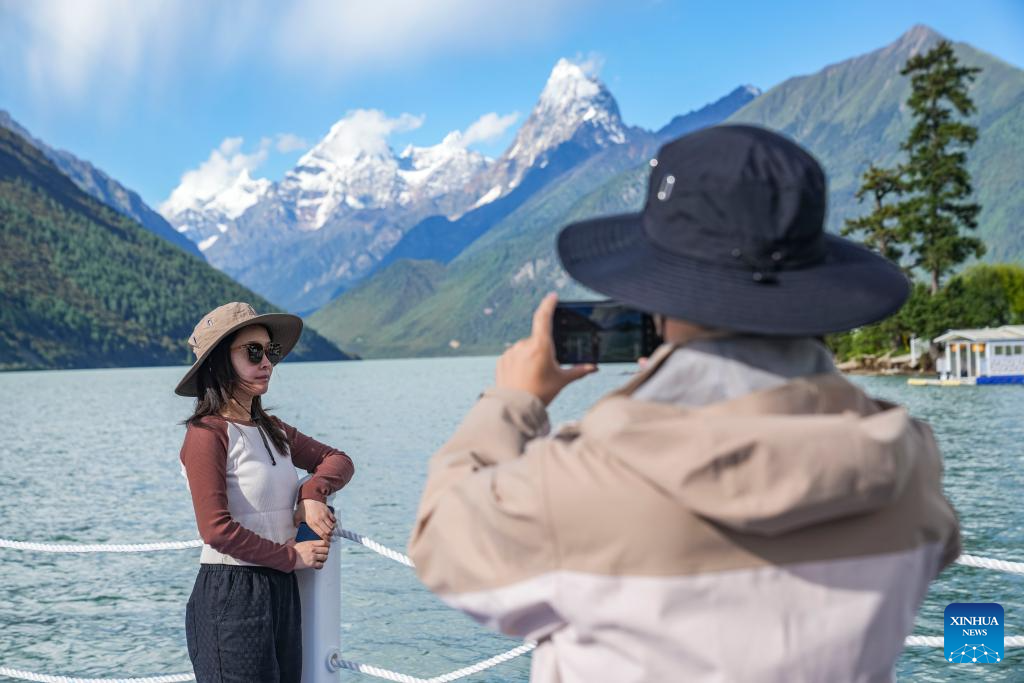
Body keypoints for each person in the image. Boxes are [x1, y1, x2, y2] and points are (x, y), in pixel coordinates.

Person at [408, 126, 960, 682]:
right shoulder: (912, 469)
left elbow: (441, 540)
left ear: (660, 302)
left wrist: (514, 400)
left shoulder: (584, 482)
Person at [175, 302, 355, 682]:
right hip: (232, 594)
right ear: (219, 362)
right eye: (253, 352)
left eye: (270, 351)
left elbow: (338, 460)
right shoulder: (206, 434)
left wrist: (311, 491)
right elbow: (215, 530)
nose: (267, 362)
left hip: (280, 590)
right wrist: (290, 556)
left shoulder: (274, 429)